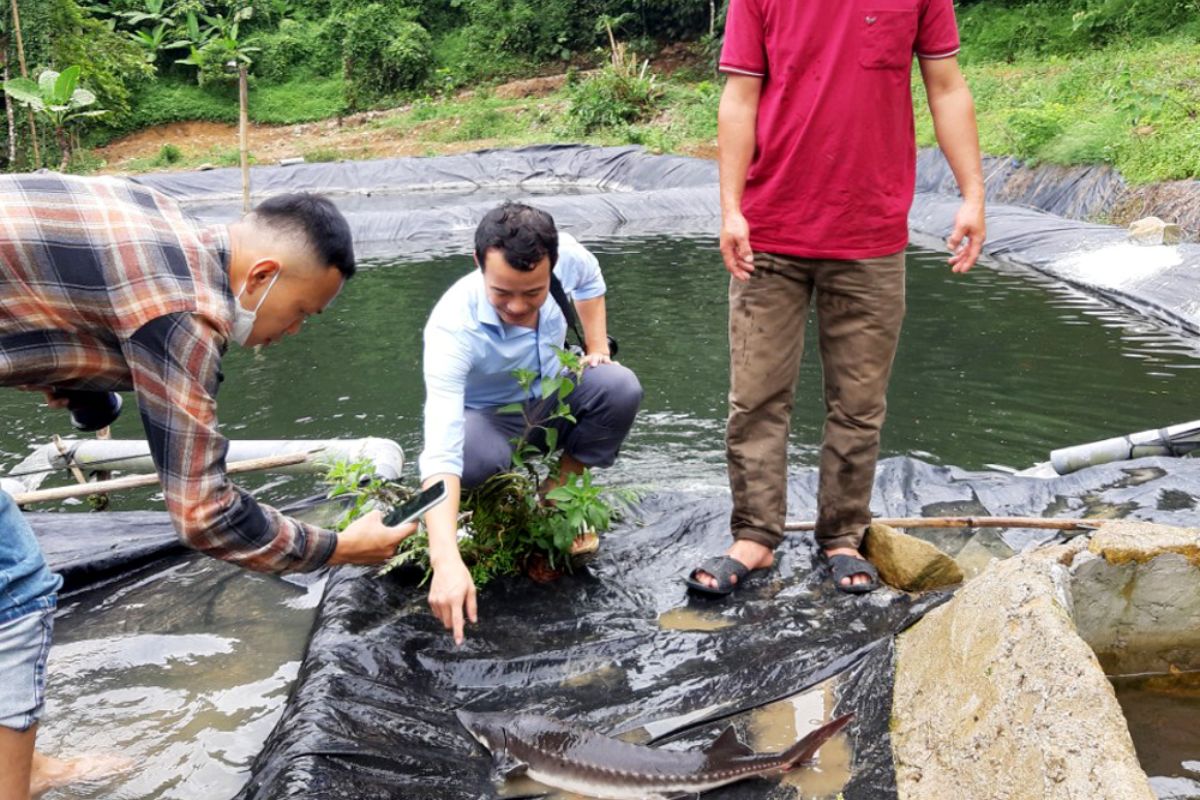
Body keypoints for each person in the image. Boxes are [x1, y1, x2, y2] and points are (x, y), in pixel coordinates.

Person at [0, 174, 416, 800]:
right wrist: (338, 547)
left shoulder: (161, 213)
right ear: (261, 275)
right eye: (302, 311)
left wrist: (78, 377)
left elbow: (52, 285)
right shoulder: (188, 310)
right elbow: (203, 514)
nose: (295, 330)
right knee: (17, 582)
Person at [687, 0, 986, 595]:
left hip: (869, 234)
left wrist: (973, 193)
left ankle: (842, 536)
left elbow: (947, 88)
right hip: (770, 230)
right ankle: (754, 538)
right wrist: (730, 210)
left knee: (858, 403)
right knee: (756, 398)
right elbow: (740, 97)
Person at [418, 202, 643, 644]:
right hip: (489, 420)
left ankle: (557, 494)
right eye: (502, 293)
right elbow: (440, 447)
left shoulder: (568, 256)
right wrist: (444, 560)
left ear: (552, 268)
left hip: (554, 395)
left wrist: (598, 347)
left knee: (619, 387)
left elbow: (591, 281)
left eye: (533, 293)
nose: (517, 307)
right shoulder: (451, 329)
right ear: (478, 264)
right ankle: (483, 517)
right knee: (469, 457)